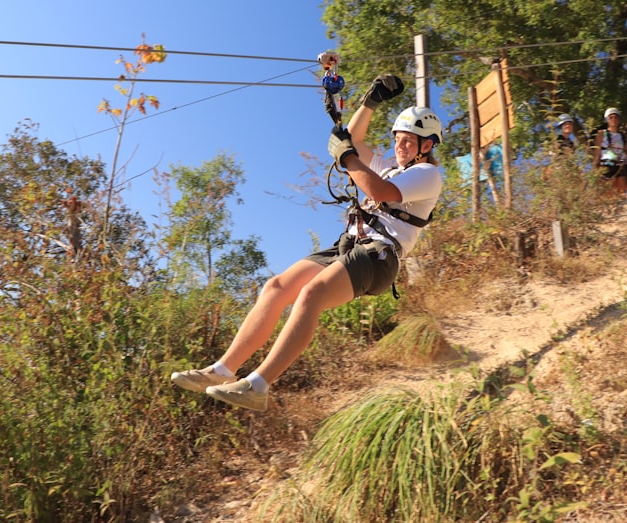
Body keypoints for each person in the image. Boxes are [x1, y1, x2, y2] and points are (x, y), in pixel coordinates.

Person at [170, 75, 442, 411]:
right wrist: (371, 101)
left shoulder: (429, 175)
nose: (400, 146)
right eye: (398, 140)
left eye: (408, 142)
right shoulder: (388, 168)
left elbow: (378, 191)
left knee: (310, 295)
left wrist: (347, 159)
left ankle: (258, 385)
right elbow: (352, 140)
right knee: (276, 286)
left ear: (426, 146)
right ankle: (222, 370)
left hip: (379, 255)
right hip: (351, 243)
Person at [592, 107, 627, 196]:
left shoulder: (624, 136)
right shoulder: (601, 133)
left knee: (622, 192)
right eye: (611, 117)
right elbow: (597, 152)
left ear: (619, 120)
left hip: (621, 166)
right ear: (607, 120)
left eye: (616, 117)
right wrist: (595, 169)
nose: (613, 119)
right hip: (606, 165)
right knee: (607, 193)